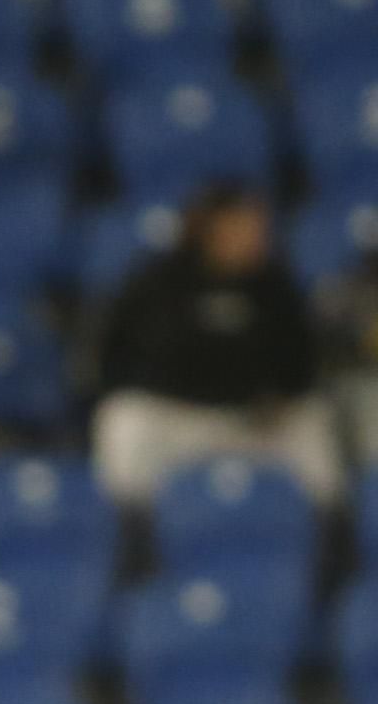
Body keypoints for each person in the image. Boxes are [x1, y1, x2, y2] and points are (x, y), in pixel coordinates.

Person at [94, 184, 344, 510]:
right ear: (211, 228)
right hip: (179, 416)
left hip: (253, 421)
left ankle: (335, 531)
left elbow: (302, 363)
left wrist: (279, 396)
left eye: (258, 226)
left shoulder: (274, 284)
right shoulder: (161, 280)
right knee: (123, 418)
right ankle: (131, 534)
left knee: (313, 420)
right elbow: (119, 355)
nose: (255, 235)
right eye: (241, 225)